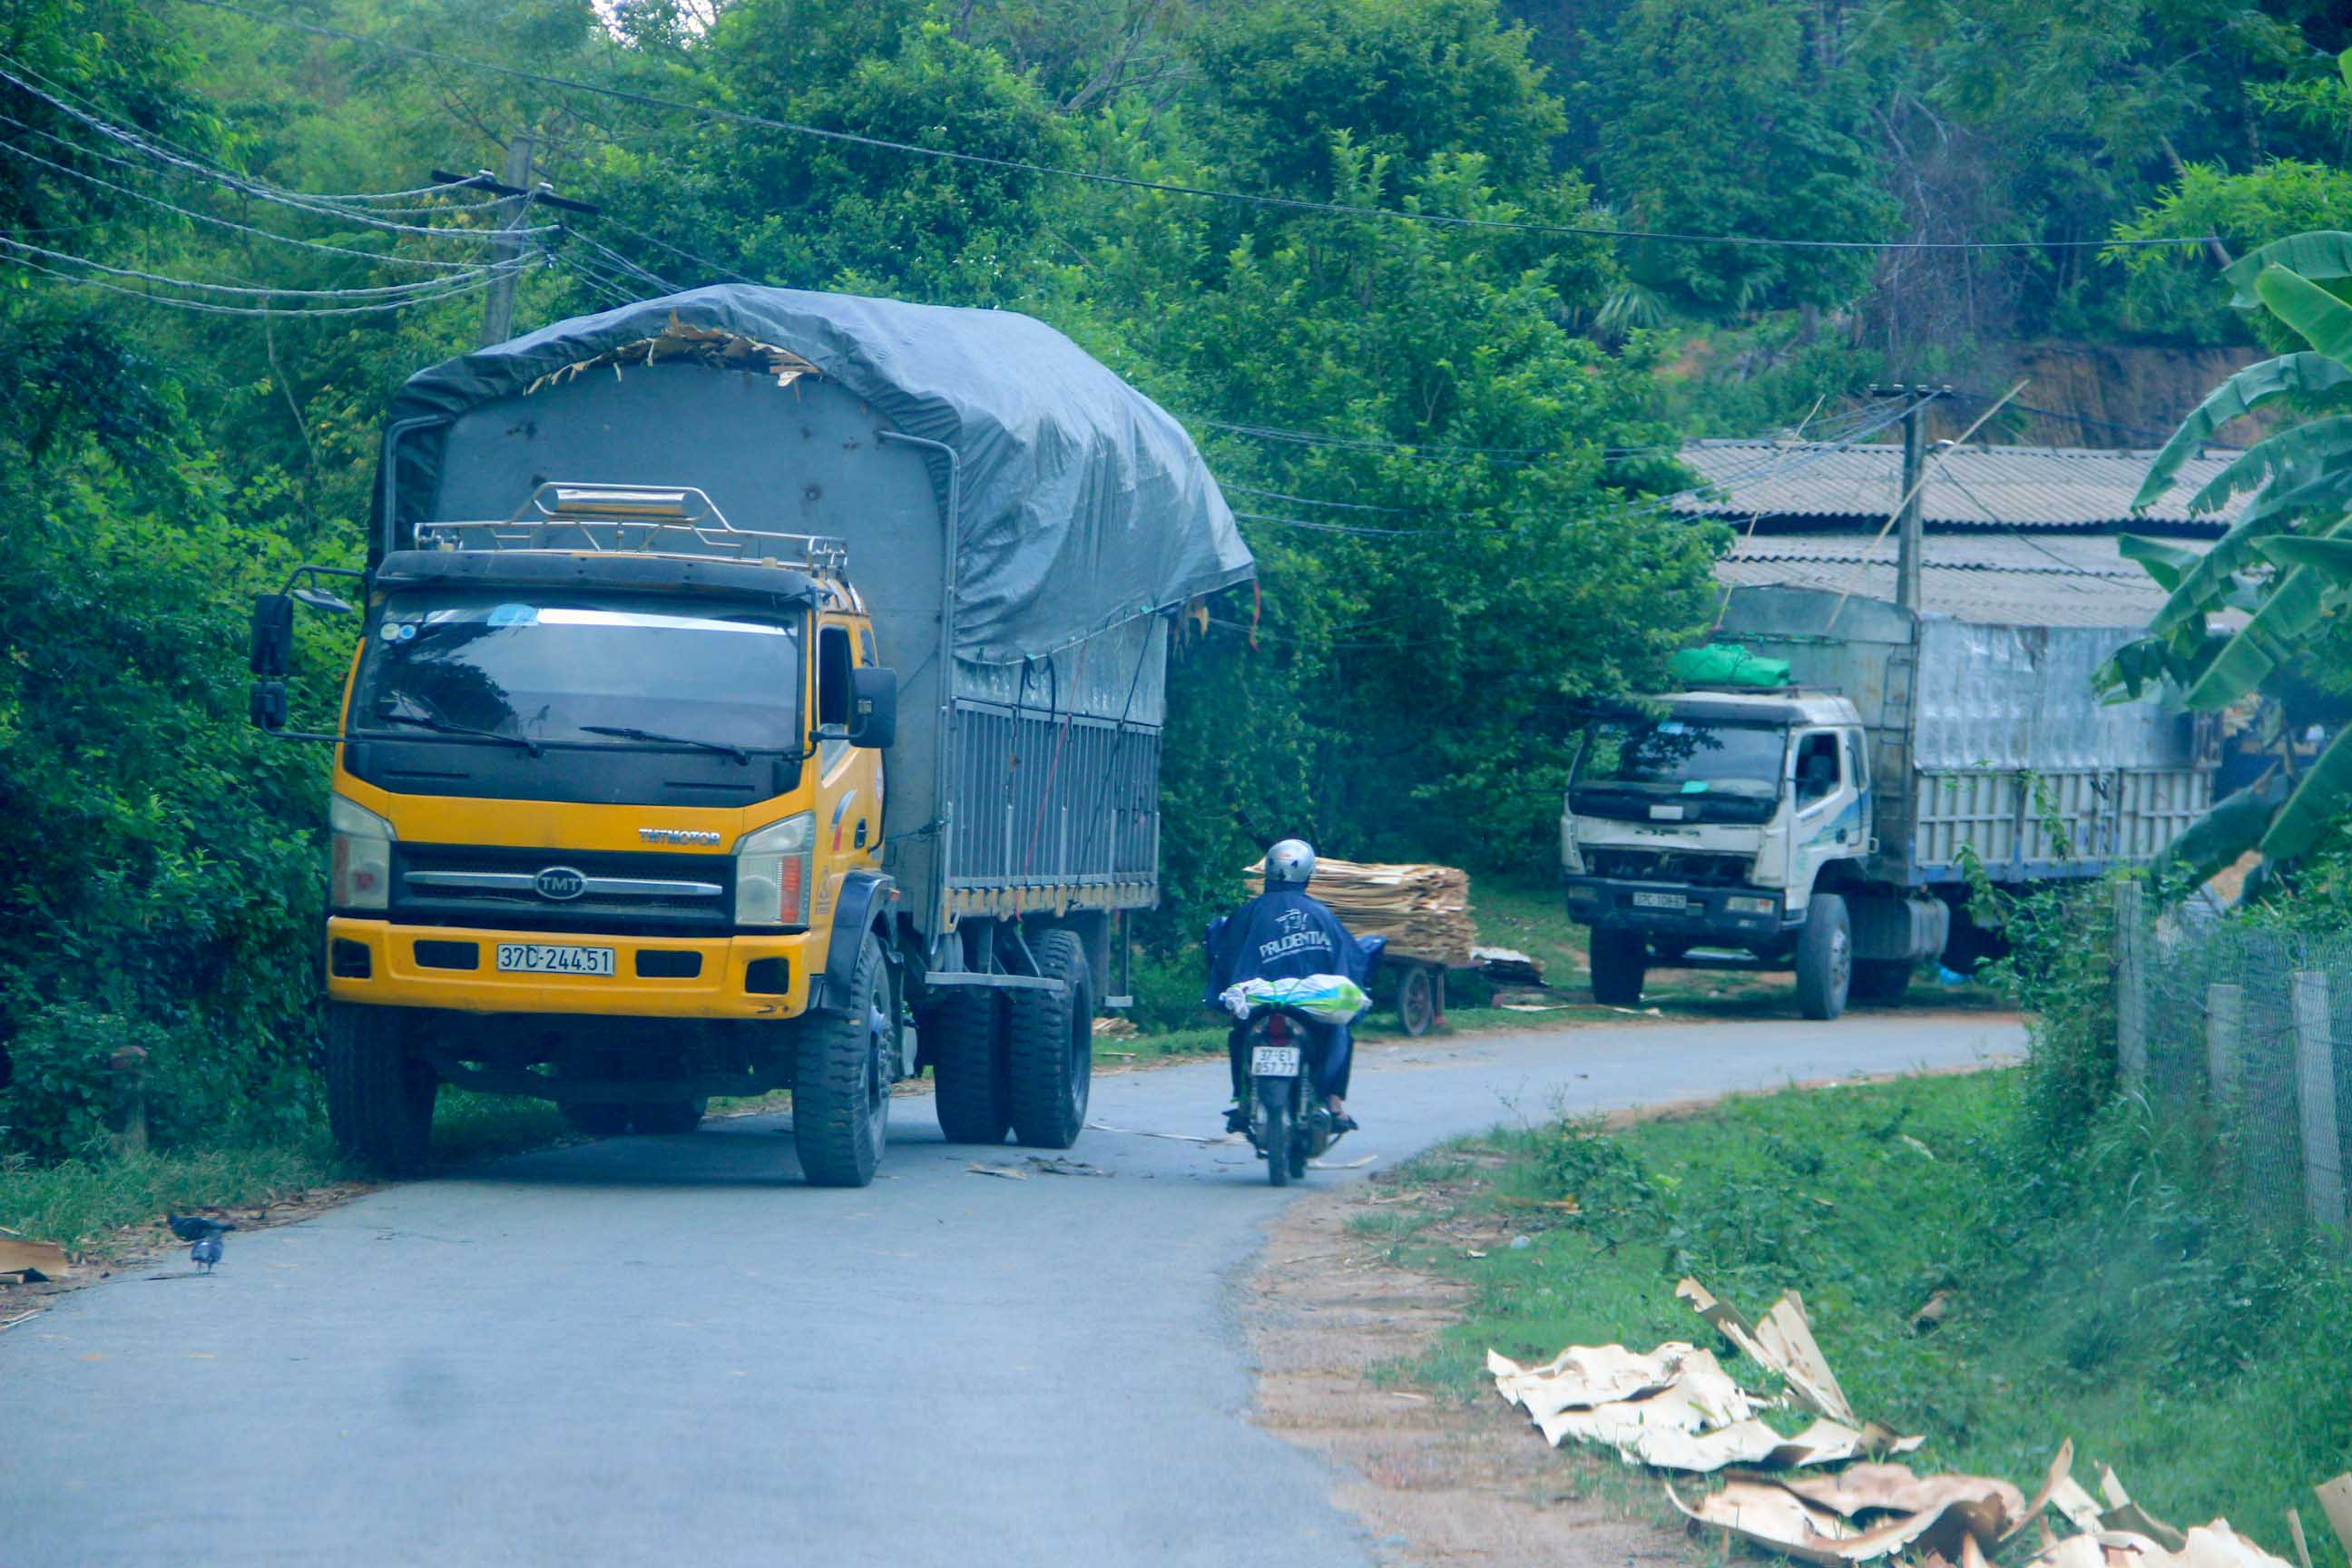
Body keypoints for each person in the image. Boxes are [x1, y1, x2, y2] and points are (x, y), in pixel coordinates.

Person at [1205, 838, 1359, 1135]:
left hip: (1260, 1004)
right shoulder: (1323, 915)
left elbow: (1224, 956)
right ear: (1307, 872)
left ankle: (1242, 1103)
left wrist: (1219, 996)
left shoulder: (1247, 913)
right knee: (1340, 1031)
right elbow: (1346, 960)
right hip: (1310, 1008)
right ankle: (1334, 1104)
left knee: (1239, 1034)